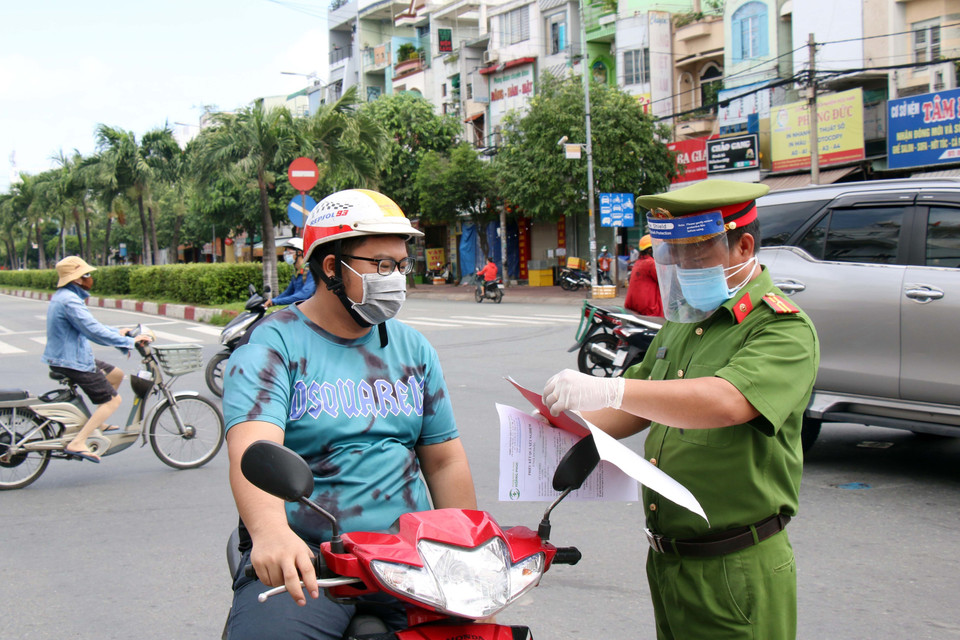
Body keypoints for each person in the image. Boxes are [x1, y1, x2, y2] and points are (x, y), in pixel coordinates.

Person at [541, 180, 820, 640]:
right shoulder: (685, 321)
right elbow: (641, 404)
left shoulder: (781, 328)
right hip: (669, 561)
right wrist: (561, 422)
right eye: (678, 254)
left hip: (735, 566)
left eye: (698, 252)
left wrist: (610, 390)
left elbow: (727, 401)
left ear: (743, 246)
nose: (685, 266)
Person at [223, 189, 478, 640]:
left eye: (401, 266)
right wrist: (270, 531)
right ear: (331, 267)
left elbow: (444, 460)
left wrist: (468, 549)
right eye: (382, 265)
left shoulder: (413, 348)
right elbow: (253, 449)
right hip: (311, 560)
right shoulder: (273, 345)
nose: (395, 278)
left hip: (410, 558)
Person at [42, 256, 152, 463]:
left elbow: (92, 326)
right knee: (113, 401)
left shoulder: (66, 296)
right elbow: (93, 331)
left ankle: (97, 423)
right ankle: (78, 442)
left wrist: (119, 332)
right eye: (86, 274)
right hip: (72, 362)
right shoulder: (70, 301)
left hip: (69, 357)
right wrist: (131, 342)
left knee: (116, 375)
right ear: (77, 279)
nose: (90, 278)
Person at [265, 238, 316, 308]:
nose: (286, 255)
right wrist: (272, 300)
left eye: (289, 253)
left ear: (299, 253)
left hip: (311, 310)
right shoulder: (297, 272)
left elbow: (303, 295)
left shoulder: (310, 270)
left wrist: (276, 301)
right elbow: (288, 292)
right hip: (299, 309)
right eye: (286, 252)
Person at [624, 234, 662, 317]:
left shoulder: (639, 262)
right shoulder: (650, 263)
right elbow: (664, 280)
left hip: (634, 305)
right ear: (650, 250)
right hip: (649, 309)